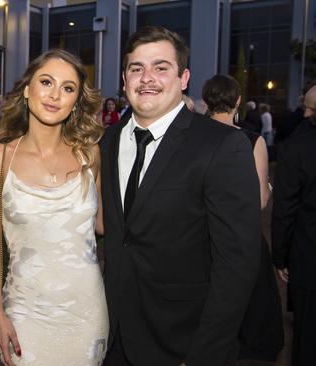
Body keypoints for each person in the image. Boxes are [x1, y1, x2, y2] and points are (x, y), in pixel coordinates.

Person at [100, 26, 260, 366]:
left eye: (161, 67)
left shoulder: (222, 145)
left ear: (184, 77)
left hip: (180, 343)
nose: (147, 78)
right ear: (124, 78)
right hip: (112, 336)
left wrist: (204, 354)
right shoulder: (108, 141)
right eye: (136, 68)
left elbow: (237, 263)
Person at [0, 49, 108, 366]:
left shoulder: (90, 154)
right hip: (25, 313)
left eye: (68, 88)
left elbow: (103, 227)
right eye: (46, 82)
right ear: (26, 89)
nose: (55, 95)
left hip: (87, 313)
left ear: (77, 100)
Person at [202, 74, 283, 362]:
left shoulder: (191, 135)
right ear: (237, 100)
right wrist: (270, 187)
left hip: (199, 235)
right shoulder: (251, 140)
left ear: (206, 100)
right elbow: (260, 201)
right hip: (240, 237)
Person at [273, 84, 316, 366]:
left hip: (309, 257)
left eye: (312, 108)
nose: (306, 113)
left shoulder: (296, 149)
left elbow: (285, 209)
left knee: (307, 340)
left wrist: (281, 255)